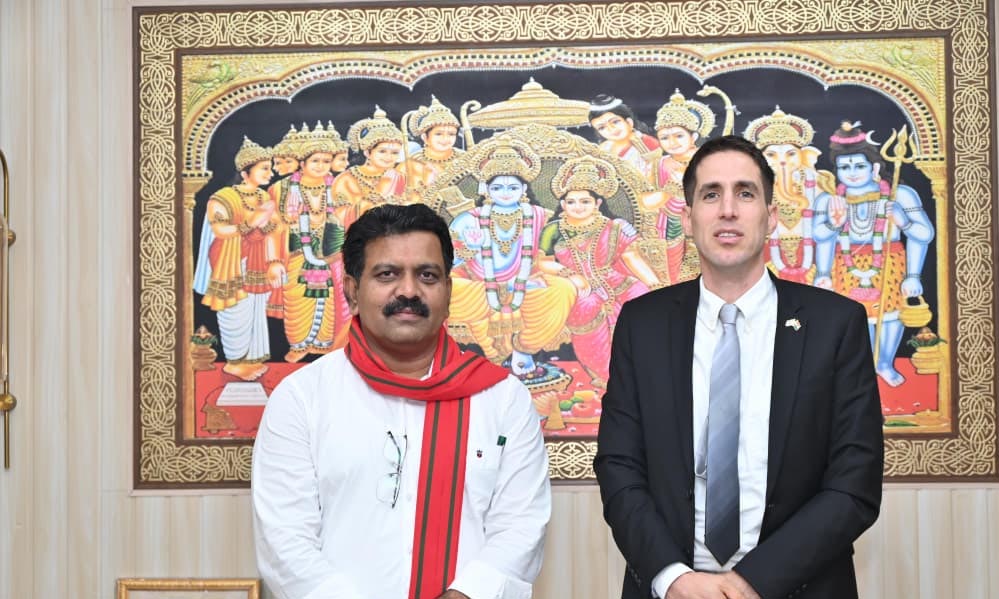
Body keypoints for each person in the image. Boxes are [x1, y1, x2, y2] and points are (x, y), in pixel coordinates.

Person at [594, 135, 883, 599]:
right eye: (711, 195)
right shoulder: (642, 324)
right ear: (689, 217)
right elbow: (619, 466)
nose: (728, 210)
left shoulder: (835, 324)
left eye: (745, 193)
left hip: (798, 588)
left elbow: (855, 483)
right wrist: (673, 578)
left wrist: (752, 582)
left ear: (771, 216)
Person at [252, 203, 551, 599]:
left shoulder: (502, 398)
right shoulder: (302, 398)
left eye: (427, 275)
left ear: (448, 292)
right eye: (387, 274)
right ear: (352, 291)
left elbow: (521, 527)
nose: (409, 291)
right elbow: (285, 541)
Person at [812, 121, 934, 387]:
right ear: (836, 171)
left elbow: (924, 235)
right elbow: (820, 237)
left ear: (875, 168)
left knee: (891, 317)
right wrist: (823, 270)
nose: (852, 173)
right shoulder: (829, 200)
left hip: (889, 261)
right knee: (853, 317)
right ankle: (861, 367)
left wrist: (904, 224)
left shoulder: (900, 195)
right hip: (845, 265)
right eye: (845, 167)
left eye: (859, 166)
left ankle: (885, 364)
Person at [447, 140, 576, 378]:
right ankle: (493, 357)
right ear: (486, 189)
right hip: (478, 284)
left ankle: (523, 351)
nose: (505, 193)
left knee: (563, 289)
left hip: (527, 280)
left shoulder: (541, 216)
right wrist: (469, 248)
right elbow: (448, 261)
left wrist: (557, 273)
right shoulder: (467, 219)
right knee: (448, 289)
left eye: (512, 187)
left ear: (524, 188)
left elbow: (556, 254)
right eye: (497, 188)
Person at [538, 155, 660, 386]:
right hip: (577, 288)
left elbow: (631, 257)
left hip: (614, 280)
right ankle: (605, 375)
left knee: (642, 298)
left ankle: (643, 370)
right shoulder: (553, 229)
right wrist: (570, 275)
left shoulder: (615, 227)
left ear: (597, 203)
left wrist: (655, 286)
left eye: (585, 201)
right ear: (563, 205)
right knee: (587, 306)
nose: (578, 207)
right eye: (571, 202)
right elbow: (543, 262)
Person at [193, 136, 283, 380]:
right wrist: (250, 223)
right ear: (245, 173)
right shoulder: (222, 198)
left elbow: (273, 229)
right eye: (264, 168)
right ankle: (234, 362)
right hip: (230, 262)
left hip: (258, 262)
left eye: (270, 168)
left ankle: (251, 359)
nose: (271, 173)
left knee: (255, 309)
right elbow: (220, 230)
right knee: (235, 310)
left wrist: (274, 261)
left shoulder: (264, 198)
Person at [270, 122, 349, 362]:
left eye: (326, 161)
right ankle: (298, 345)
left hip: (329, 253)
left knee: (327, 298)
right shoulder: (282, 188)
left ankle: (324, 345)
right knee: (298, 298)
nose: (320, 165)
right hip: (295, 254)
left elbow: (347, 217)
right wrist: (275, 259)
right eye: (315, 160)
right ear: (302, 163)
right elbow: (273, 226)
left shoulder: (337, 186)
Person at [397, 95, 464, 200]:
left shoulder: (465, 159)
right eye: (438, 134)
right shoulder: (410, 165)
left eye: (451, 134)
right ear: (425, 137)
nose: (445, 139)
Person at [589, 94, 660, 180]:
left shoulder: (647, 143)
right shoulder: (603, 148)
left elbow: (657, 177)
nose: (611, 129)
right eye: (602, 127)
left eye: (615, 122)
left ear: (629, 122)